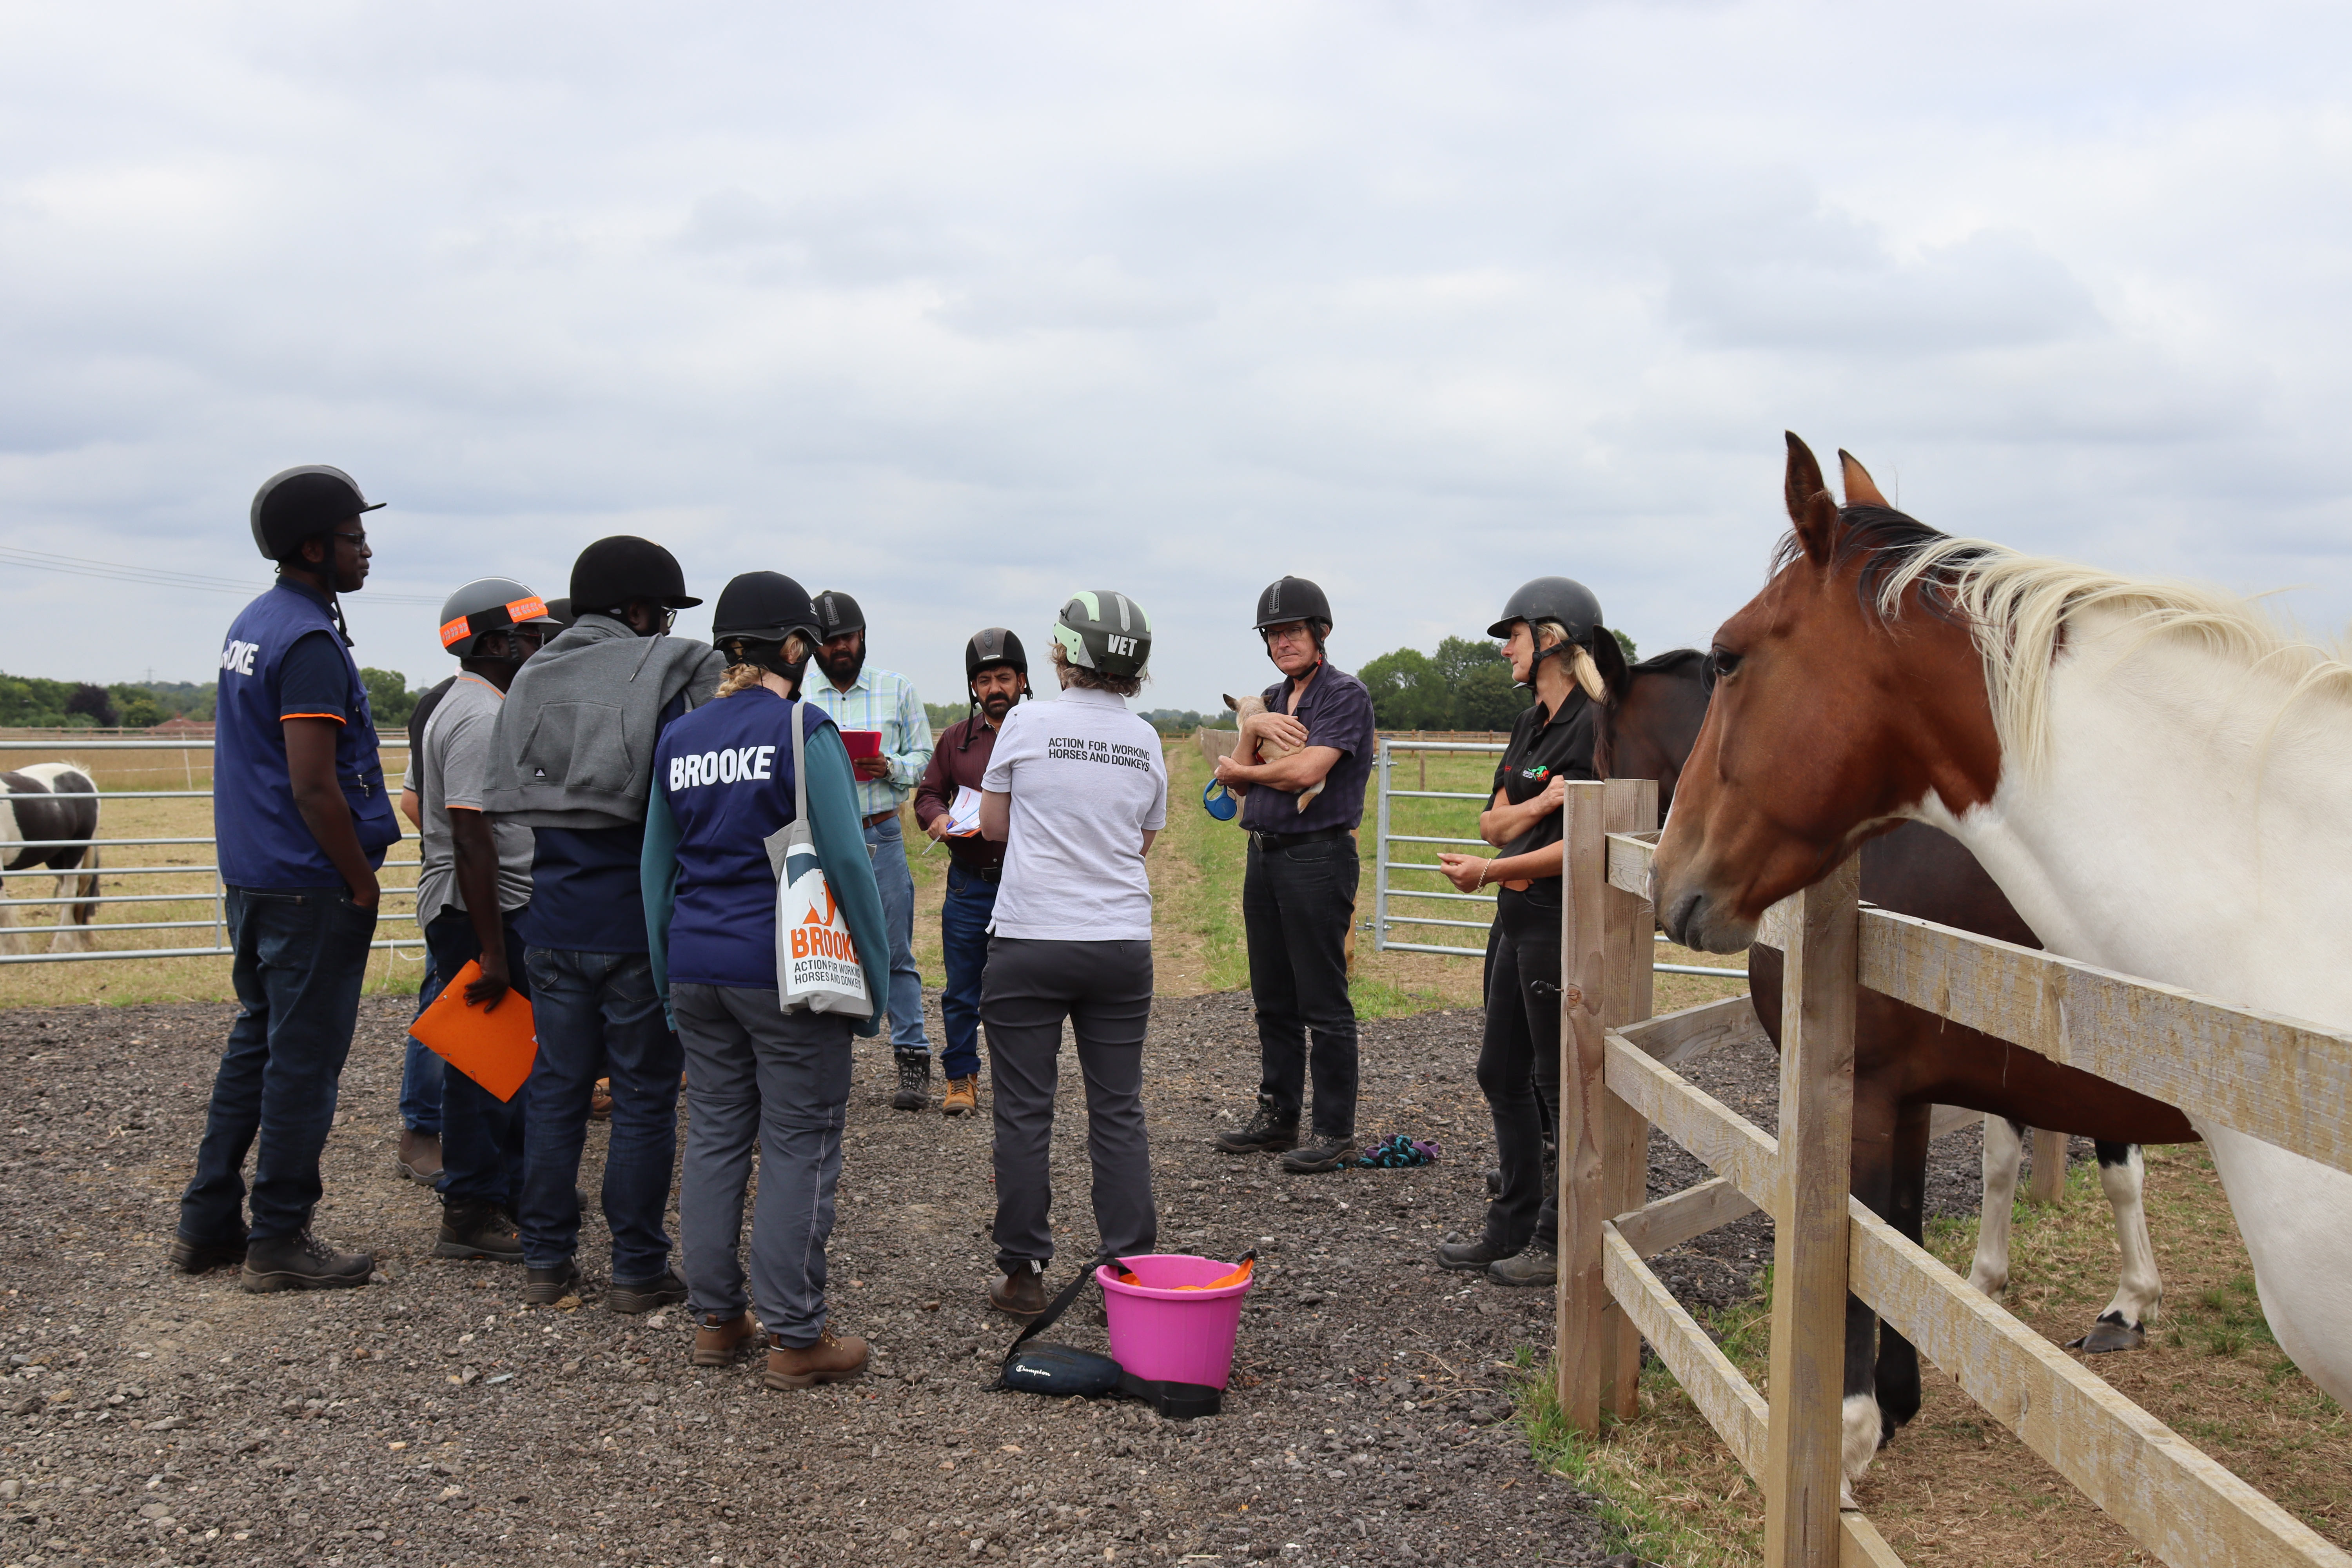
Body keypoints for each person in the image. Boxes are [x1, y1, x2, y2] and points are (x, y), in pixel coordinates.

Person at [642, 572, 890, 1388]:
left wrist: (666, 978)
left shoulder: (680, 738)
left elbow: (655, 873)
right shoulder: (802, 729)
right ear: (794, 648)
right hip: (785, 969)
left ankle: (718, 1320)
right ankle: (795, 1335)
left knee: (713, 1134)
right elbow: (849, 864)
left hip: (696, 966)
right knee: (799, 1139)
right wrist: (876, 982)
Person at [171, 465, 403, 1292]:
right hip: (310, 886)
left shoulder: (254, 621)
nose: (367, 550)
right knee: (303, 1062)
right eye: (354, 537)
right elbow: (314, 783)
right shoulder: (307, 640)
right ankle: (278, 1236)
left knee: (256, 1044)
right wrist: (361, 882)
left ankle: (207, 1223)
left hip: (255, 876)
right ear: (314, 547)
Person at [484, 536, 724, 1311]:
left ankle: (547, 1258)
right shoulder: (667, 668)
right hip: (633, 925)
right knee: (645, 1095)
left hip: (550, 922)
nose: (662, 627)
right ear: (635, 609)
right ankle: (635, 1267)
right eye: (659, 613)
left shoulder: (532, 676)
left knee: (554, 1089)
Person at [978, 592, 1168, 1317]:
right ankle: (1131, 1269)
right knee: (1117, 1109)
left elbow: (994, 826)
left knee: (1025, 1112)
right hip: (1119, 942)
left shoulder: (1026, 721)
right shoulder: (1147, 740)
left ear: (1062, 654)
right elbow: (1142, 842)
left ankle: (1024, 1274)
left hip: (1031, 938)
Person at [1432, 578, 1615, 1287]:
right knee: (1499, 1074)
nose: (1505, 648)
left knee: (1553, 1080)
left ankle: (1558, 1237)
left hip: (1555, 918)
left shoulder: (1596, 724)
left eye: (1513, 635)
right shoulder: (1531, 724)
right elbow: (1493, 822)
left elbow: (1584, 843)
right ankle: (1507, 1226)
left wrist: (1495, 865)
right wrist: (1539, 803)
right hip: (1515, 913)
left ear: (1553, 640)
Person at [411, 577, 561, 1262]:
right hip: (481, 912)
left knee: (505, 1059)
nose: (538, 647)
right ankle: (470, 1209)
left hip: (486, 909)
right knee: (481, 1063)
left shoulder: (477, 704)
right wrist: (494, 953)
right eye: (531, 637)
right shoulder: (478, 719)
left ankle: (504, 1191)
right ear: (495, 642)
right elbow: (471, 837)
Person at [1209, 577, 1379, 1173]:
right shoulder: (1271, 698)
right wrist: (1252, 733)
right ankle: (1279, 1116)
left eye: (1293, 631)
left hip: (1317, 853)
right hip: (1265, 851)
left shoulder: (1345, 697)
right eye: (1274, 634)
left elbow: (1305, 769)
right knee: (1273, 996)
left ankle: (1334, 1129)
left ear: (1321, 633)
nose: (1283, 642)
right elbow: (1236, 767)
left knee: (1323, 998)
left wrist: (1247, 761)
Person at [801, 590, 937, 1110]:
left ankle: (912, 1059)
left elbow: (925, 758)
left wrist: (892, 768)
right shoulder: (798, 695)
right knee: (816, 949)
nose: (840, 648)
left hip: (880, 833)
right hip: (817, 838)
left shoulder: (896, 689)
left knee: (894, 949)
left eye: (848, 638)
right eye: (830, 641)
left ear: (863, 638)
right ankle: (821, 1067)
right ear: (815, 645)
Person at [911, 628, 1029, 1117]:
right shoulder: (956, 741)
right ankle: (961, 1078)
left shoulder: (1043, 732)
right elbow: (928, 794)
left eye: (1004, 677)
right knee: (962, 989)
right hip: (969, 881)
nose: (995, 688)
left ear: (1023, 680)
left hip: (1027, 883)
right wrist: (937, 818)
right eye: (985, 680)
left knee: (1024, 987)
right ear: (973, 687)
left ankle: (1023, 1078)